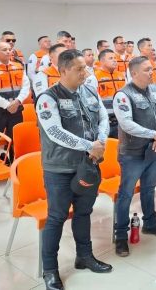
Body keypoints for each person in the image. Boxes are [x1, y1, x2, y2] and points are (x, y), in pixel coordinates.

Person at [37, 49, 112, 290]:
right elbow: (54, 132)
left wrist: (100, 141)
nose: (85, 72)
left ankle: (85, 257)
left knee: (84, 212)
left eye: (85, 68)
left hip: (87, 165)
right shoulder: (48, 98)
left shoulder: (89, 91)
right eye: (79, 69)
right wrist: (90, 146)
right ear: (63, 70)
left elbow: (103, 117)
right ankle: (50, 270)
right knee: (57, 217)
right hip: (60, 168)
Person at [113, 56, 156, 257]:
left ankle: (151, 224)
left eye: (152, 69)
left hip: (155, 147)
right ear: (134, 73)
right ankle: (121, 236)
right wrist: (154, 134)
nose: (151, 72)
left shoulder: (155, 89)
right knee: (126, 194)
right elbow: (126, 123)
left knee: (149, 188)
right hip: (133, 153)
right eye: (147, 70)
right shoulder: (123, 95)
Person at [0, 41, 30, 144]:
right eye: (4, 50)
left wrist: (18, 101)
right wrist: (7, 105)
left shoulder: (19, 66)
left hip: (16, 109)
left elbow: (26, 86)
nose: (8, 52)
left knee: (15, 139)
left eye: (9, 49)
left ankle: (11, 155)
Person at [94, 49, 126, 138]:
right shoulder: (95, 77)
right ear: (102, 61)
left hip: (121, 120)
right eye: (111, 58)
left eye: (115, 58)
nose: (115, 60)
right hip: (104, 121)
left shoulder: (121, 75)